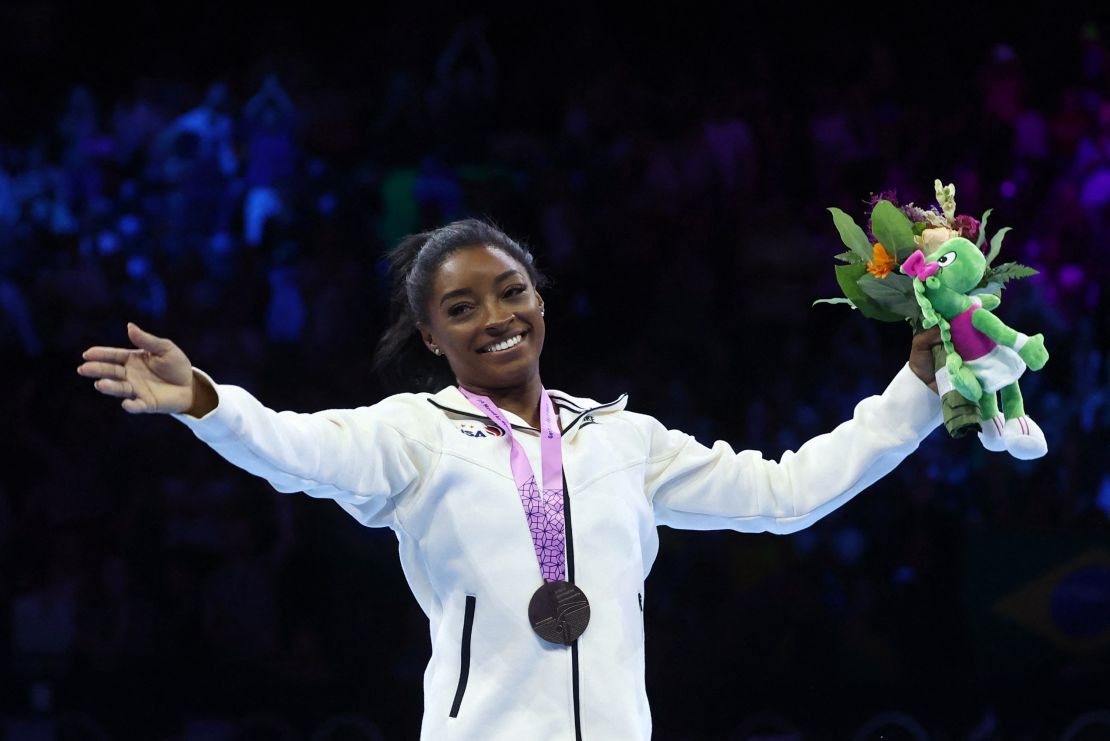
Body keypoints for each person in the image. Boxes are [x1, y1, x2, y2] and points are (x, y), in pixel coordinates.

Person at [78, 218, 944, 740]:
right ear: (430, 335)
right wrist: (205, 399)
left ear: (539, 298)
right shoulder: (411, 437)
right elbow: (293, 450)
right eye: (462, 308)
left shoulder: (622, 437)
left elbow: (785, 495)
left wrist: (918, 390)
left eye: (511, 291)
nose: (495, 318)